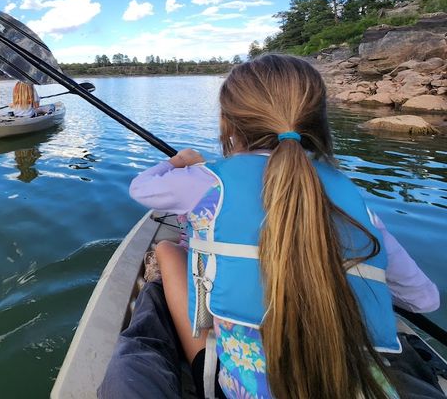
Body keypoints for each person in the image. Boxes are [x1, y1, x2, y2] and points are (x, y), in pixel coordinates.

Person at [128, 55, 439, 399]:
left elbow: (140, 188)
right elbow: (423, 299)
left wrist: (178, 162)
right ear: (318, 121)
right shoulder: (352, 196)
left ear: (229, 125)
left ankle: (204, 364)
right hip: (359, 385)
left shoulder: (207, 181)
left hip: (245, 387)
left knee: (167, 250)